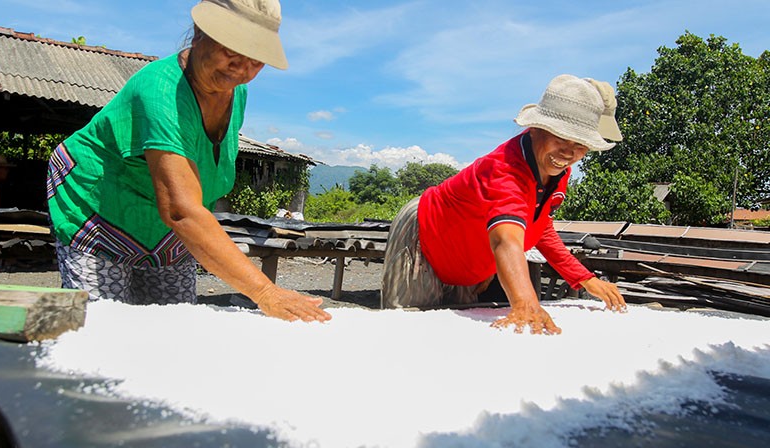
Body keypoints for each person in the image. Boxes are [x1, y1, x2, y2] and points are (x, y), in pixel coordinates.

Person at [46, 0, 331, 322]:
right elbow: (181, 210)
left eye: (257, 59)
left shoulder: (235, 89)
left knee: (174, 320)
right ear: (199, 33)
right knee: (108, 325)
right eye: (233, 49)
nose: (242, 67)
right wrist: (265, 292)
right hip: (101, 203)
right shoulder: (160, 89)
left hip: (165, 216)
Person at [381, 74, 627, 334]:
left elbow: (539, 226)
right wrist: (525, 302)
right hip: (428, 234)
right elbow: (504, 241)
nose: (568, 153)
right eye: (560, 139)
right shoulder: (505, 170)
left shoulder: (557, 172)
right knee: (411, 328)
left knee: (455, 334)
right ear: (535, 129)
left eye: (579, 145)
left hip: (468, 251)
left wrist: (583, 277)